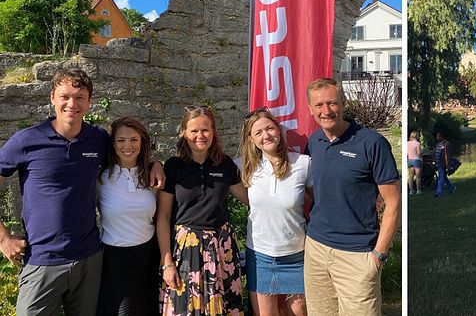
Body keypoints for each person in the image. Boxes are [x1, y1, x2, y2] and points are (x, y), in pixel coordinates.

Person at [0, 67, 164, 316]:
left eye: (79, 97)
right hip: (42, 259)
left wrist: (155, 164)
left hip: (89, 259)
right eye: (64, 96)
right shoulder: (26, 141)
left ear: (89, 102)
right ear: (52, 98)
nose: (71, 104)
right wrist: (3, 238)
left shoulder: (97, 140)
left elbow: (129, 149)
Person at [304, 78, 401, 316]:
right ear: (310, 109)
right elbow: (314, 188)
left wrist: (378, 255)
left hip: (357, 254)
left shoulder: (372, 143)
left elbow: (394, 202)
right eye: (319, 105)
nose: (326, 111)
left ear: (344, 103)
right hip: (316, 248)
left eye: (332, 103)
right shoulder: (314, 142)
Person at [157, 106, 248, 315]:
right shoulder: (173, 166)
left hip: (221, 247)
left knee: (223, 308)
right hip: (186, 249)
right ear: (184, 133)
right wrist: (167, 263)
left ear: (213, 131)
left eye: (205, 130)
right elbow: (163, 217)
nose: (200, 135)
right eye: (194, 131)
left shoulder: (224, 164)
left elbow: (249, 198)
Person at [238, 108, 313, 316]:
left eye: (270, 128)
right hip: (260, 256)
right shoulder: (244, 167)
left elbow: (324, 200)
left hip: (296, 255)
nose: (266, 135)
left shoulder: (303, 163)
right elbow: (210, 167)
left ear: (279, 131)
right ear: (252, 140)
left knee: (299, 312)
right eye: (259, 132)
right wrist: (156, 166)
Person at [96, 117, 159, 316]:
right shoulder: (101, 178)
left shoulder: (152, 174)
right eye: (121, 140)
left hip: (149, 257)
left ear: (142, 142)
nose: (128, 146)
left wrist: (157, 164)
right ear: (113, 144)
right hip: (115, 261)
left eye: (134, 140)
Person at [407, 130, 423, 195]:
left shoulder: (407, 143)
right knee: (418, 176)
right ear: (417, 136)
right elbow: (419, 153)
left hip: (410, 160)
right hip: (417, 160)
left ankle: (411, 190)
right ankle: (418, 190)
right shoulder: (417, 144)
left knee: (410, 176)